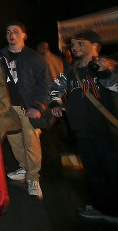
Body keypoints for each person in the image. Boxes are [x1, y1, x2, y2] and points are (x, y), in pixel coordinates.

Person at [49, 30, 118, 223]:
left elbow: (115, 86)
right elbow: (54, 88)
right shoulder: (71, 72)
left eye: (80, 43)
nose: (75, 48)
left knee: (112, 171)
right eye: (73, 44)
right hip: (82, 131)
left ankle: (113, 211)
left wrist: (105, 74)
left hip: (107, 131)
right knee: (93, 173)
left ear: (96, 46)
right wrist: (55, 103)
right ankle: (102, 206)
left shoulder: (109, 66)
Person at [0, 21, 50, 199]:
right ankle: (24, 168)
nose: (11, 35)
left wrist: (38, 107)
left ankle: (33, 178)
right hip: (8, 108)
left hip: (27, 107)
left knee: (31, 144)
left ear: (24, 36)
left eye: (16, 32)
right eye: (8, 32)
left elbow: (45, 84)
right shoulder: (0, 57)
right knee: (15, 142)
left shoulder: (33, 57)